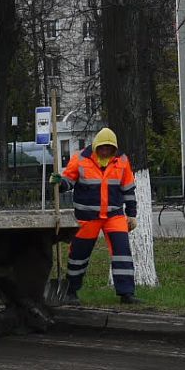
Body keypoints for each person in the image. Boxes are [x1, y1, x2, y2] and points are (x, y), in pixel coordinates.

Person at [57, 127, 138, 304]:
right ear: (95, 147)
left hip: (114, 215)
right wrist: (59, 183)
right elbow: (68, 181)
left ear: (114, 148)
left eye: (109, 148)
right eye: (103, 148)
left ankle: (127, 293)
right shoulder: (80, 159)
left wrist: (132, 215)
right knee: (78, 254)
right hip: (87, 216)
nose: (105, 151)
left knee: (122, 252)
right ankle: (71, 291)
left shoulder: (122, 161)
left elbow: (128, 190)